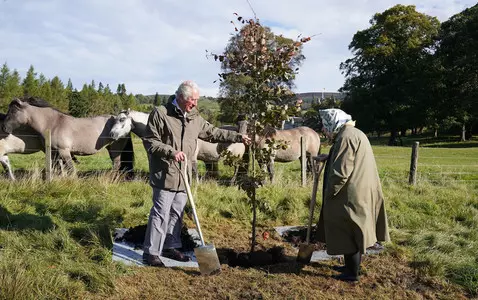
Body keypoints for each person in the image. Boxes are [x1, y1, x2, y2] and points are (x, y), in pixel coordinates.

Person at [142, 80, 251, 267]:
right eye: (193, 100)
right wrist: (171, 152)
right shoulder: (161, 114)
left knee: (177, 213)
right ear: (181, 98)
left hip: (185, 174)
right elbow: (150, 142)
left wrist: (237, 137)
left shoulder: (194, 117)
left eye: (197, 100)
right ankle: (151, 253)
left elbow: (213, 132)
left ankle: (171, 246)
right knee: (160, 213)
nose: (195, 104)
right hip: (166, 173)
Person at [315, 108, 390, 282]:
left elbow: (342, 172)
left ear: (334, 123)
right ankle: (350, 266)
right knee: (352, 230)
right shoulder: (353, 133)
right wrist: (329, 156)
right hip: (360, 189)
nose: (325, 130)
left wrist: (330, 192)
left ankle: (352, 274)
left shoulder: (345, 137)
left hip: (350, 193)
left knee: (348, 230)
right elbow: (347, 157)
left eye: (326, 126)